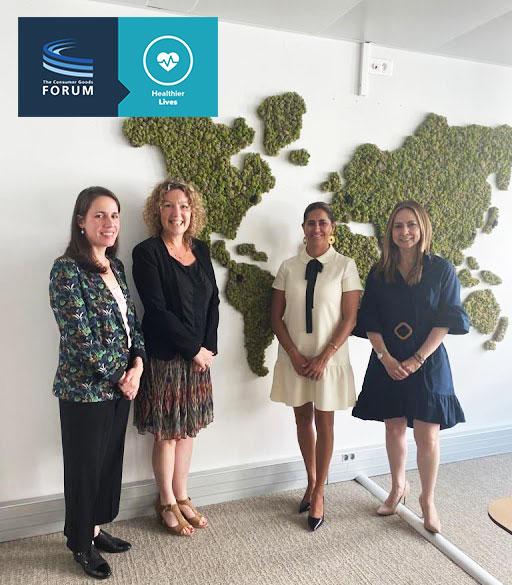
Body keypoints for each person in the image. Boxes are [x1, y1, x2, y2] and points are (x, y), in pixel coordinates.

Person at [352, 200, 469, 533]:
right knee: (393, 427)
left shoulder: (441, 269)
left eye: (411, 225)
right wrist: (386, 358)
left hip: (428, 362)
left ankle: (427, 500)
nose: (405, 232)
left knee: (427, 435)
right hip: (387, 360)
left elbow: (447, 319)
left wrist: (417, 359)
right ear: (391, 231)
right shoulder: (379, 271)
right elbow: (370, 318)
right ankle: (397, 487)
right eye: (399, 226)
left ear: (423, 228)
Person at [49, 186, 145, 580]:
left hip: (123, 385)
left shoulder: (116, 268)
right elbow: (78, 334)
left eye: (114, 216)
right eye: (100, 216)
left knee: (108, 463)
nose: (109, 224)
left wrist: (137, 365)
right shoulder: (65, 269)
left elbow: (131, 325)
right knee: (84, 467)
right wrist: (119, 375)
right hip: (84, 389)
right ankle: (79, 545)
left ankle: (95, 529)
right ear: (81, 222)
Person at [132, 179, 219, 537]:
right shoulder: (146, 252)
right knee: (167, 434)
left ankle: (182, 495)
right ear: (158, 211)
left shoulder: (202, 250)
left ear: (192, 211)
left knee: (188, 432)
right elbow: (156, 311)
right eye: (168, 205)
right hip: (167, 356)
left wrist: (208, 348)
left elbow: (213, 301)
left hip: (200, 359)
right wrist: (193, 349)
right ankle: (165, 501)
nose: (177, 213)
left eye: (183, 206)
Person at [270, 202, 362, 531]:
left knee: (325, 422)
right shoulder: (289, 266)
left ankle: (320, 491)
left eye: (323, 223)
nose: (317, 228)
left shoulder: (345, 266)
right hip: (295, 357)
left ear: (332, 227)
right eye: (311, 223)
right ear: (303, 227)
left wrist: (324, 357)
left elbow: (350, 318)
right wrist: (294, 353)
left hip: (329, 359)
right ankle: (310, 480)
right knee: (301, 419)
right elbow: (275, 317)